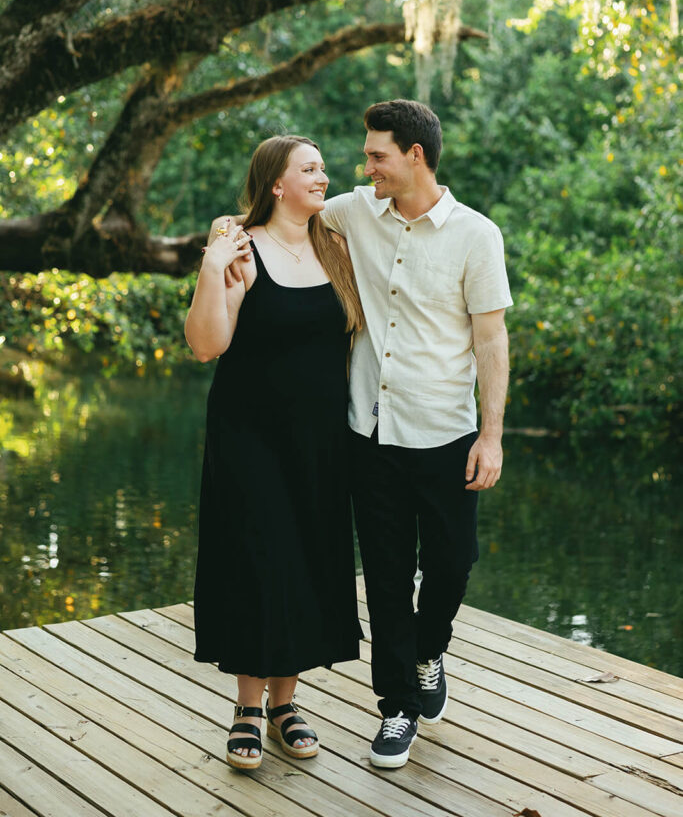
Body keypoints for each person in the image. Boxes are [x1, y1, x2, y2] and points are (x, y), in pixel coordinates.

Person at [321, 99, 513, 768]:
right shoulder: (351, 211)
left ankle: (431, 649)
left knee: (453, 560)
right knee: (384, 573)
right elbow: (284, 216)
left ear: (414, 156)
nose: (364, 165)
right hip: (368, 435)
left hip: (446, 435)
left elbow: (490, 340)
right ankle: (397, 705)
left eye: (376, 154)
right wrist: (231, 229)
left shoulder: (475, 236)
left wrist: (490, 436)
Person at [185, 135, 363, 772]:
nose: (324, 175)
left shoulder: (335, 246)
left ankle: (287, 706)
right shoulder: (239, 245)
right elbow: (207, 344)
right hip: (248, 434)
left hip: (320, 438)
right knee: (260, 559)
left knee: (307, 560)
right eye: (309, 168)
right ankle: (247, 709)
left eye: (323, 165)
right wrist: (212, 267)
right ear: (277, 183)